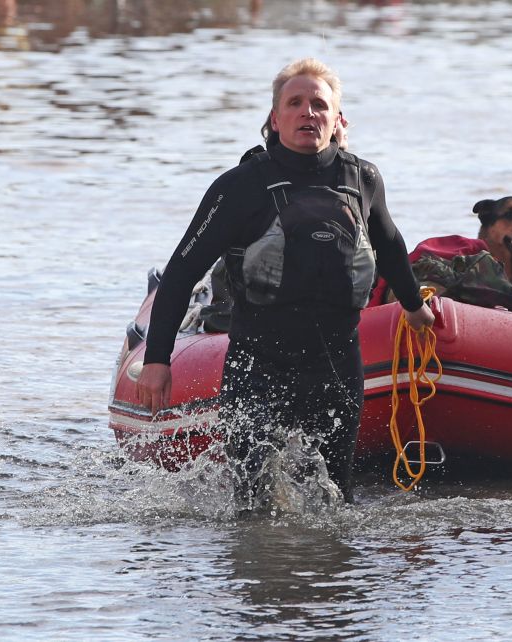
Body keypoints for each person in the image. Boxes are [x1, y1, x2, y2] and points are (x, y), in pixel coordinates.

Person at [137, 58, 435, 509]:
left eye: (319, 104)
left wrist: (413, 307)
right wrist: (158, 358)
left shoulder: (363, 179)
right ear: (275, 119)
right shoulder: (240, 187)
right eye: (295, 103)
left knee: (336, 504)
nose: (307, 113)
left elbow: (390, 245)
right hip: (259, 366)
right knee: (255, 509)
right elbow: (181, 271)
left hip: (336, 365)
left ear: (338, 120)